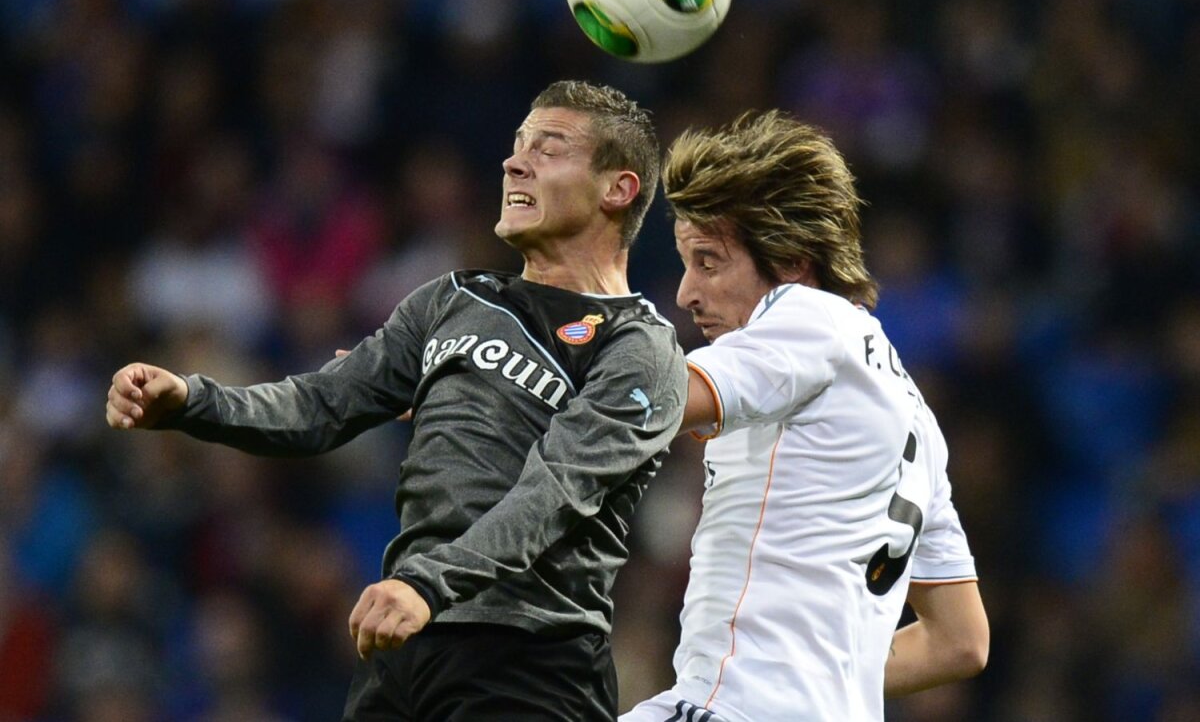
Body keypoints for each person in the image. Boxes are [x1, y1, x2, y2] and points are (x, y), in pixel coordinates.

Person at [105, 80, 689, 722]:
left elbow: (556, 491)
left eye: (547, 150)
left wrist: (428, 584)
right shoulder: (451, 301)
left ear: (617, 189)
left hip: (529, 656)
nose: (514, 163)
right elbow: (320, 404)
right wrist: (191, 401)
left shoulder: (639, 346)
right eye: (518, 145)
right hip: (403, 646)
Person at [622, 111, 988, 722]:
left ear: (791, 262)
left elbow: (654, 400)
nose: (687, 293)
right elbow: (960, 640)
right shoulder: (917, 421)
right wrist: (822, 679)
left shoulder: (807, 316)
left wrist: (505, 377)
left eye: (709, 262)